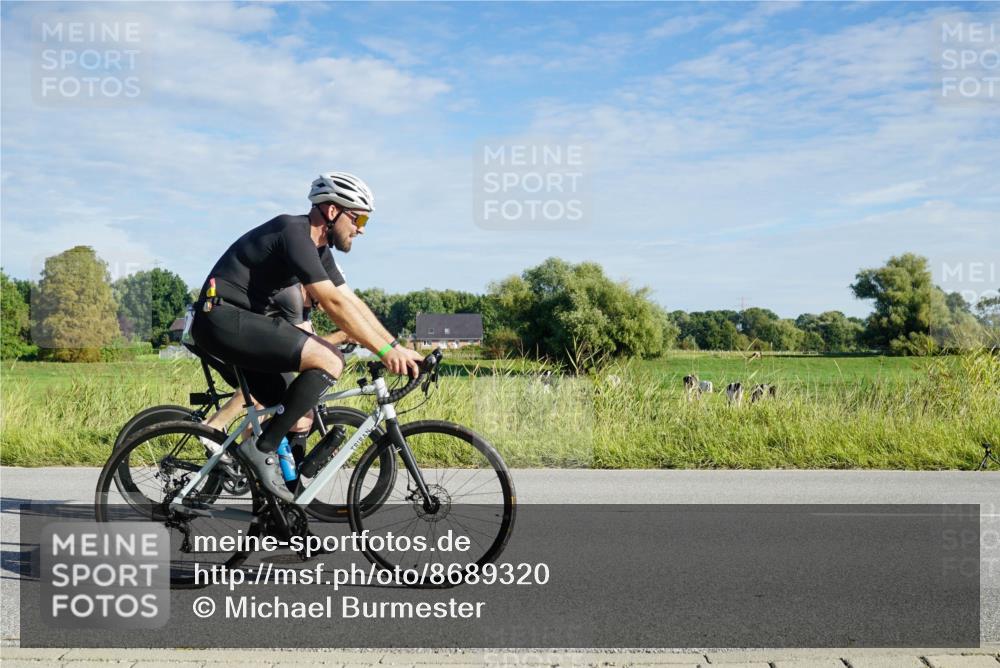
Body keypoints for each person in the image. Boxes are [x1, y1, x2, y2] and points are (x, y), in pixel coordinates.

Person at [191, 172, 422, 501]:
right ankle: (261, 450)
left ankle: (279, 509)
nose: (361, 229)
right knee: (330, 358)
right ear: (332, 212)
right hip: (220, 318)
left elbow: (352, 301)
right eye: (359, 218)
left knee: (300, 417)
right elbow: (332, 303)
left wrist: (396, 347)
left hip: (242, 323)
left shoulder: (320, 251)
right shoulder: (293, 231)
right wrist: (385, 352)